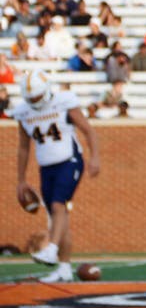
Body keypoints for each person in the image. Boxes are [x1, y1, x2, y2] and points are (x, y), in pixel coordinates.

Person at [13, 70, 101, 282]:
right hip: (46, 166)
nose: (34, 100)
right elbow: (24, 147)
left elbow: (88, 130)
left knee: (58, 205)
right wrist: (21, 180)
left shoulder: (64, 102)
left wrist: (94, 157)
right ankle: (64, 268)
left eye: (37, 96)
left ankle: (51, 249)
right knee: (58, 218)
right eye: (31, 97)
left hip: (69, 160)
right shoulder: (23, 112)